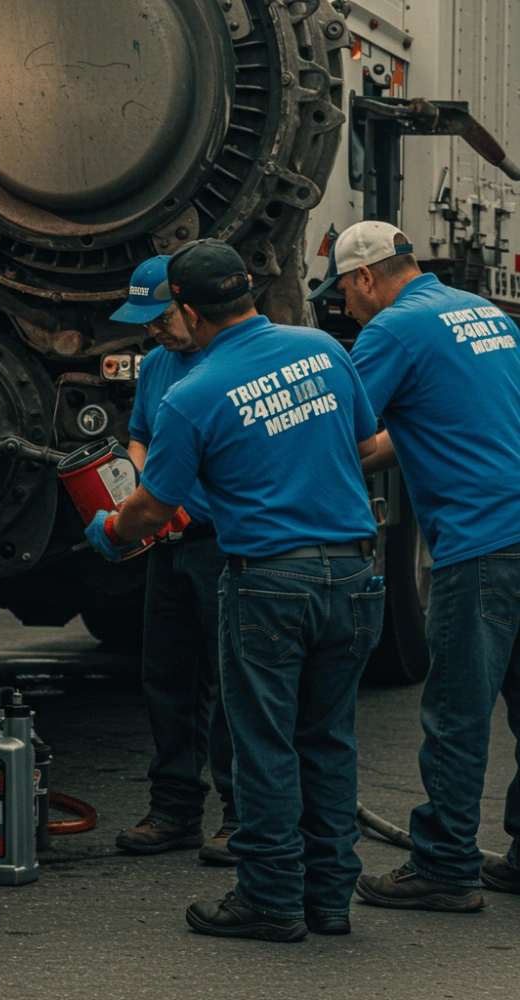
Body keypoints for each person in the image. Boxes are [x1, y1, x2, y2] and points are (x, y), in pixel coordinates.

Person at [85, 240, 381, 941]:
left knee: (265, 744)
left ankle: (273, 898)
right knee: (328, 740)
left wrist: (108, 530)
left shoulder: (193, 395)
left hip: (271, 582)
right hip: (354, 574)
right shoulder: (324, 350)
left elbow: (152, 509)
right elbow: (366, 443)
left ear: (186, 307)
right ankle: (329, 898)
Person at [314, 220, 520, 912]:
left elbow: (335, 427)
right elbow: (435, 422)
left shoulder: (392, 332)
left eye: (344, 291)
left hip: (481, 543)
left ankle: (445, 865)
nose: (345, 306)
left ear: (366, 277)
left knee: (458, 712)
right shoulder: (481, 312)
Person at [107, 255, 238, 864]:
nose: (152, 330)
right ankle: (176, 810)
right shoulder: (158, 364)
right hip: (167, 544)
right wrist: (138, 481)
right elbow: (139, 433)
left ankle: (241, 815)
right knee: (167, 678)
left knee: (232, 683)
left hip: (220, 545)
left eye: (160, 318)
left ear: (189, 307)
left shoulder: (226, 362)